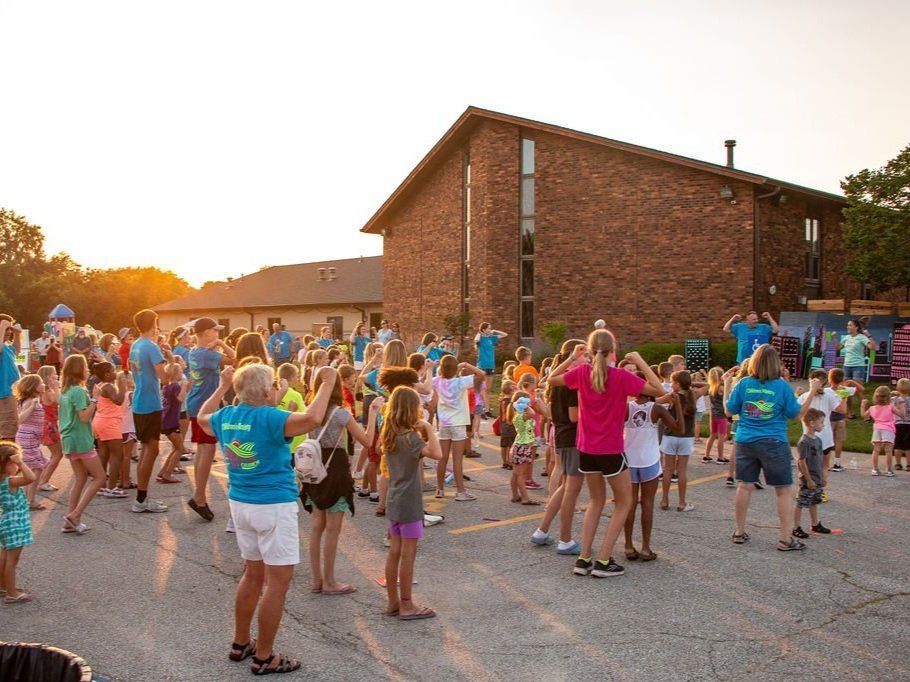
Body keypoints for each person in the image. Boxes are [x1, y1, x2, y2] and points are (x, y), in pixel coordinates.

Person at [198, 362, 338, 675]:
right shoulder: (270, 417)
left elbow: (201, 417)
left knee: (252, 573)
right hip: (273, 504)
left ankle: (240, 643)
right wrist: (327, 381)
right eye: (273, 385)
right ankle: (264, 657)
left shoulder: (226, 416)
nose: (276, 389)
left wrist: (221, 387)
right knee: (277, 583)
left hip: (241, 502)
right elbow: (314, 418)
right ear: (265, 390)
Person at [547, 330, 664, 578]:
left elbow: (551, 379)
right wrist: (640, 361)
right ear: (614, 351)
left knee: (595, 501)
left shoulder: (581, 373)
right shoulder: (620, 376)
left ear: (589, 351)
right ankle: (603, 559)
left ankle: (584, 558)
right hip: (610, 449)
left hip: (586, 448)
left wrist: (571, 358)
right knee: (624, 502)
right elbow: (657, 388)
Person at [725, 344, 817, 550]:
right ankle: (785, 538)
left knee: (744, 485)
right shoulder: (782, 386)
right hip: (773, 441)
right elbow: (796, 414)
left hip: (745, 440)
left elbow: (729, 409)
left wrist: (726, 388)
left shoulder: (744, 383)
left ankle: (739, 531)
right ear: (776, 363)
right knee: (784, 490)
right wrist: (811, 392)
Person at [299, 371, 373, 596]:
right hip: (335, 468)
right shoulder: (340, 413)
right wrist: (372, 412)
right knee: (333, 528)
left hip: (314, 466)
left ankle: (316, 579)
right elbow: (367, 441)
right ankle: (330, 581)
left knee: (316, 526)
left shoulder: (310, 410)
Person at [379, 385, 443, 620]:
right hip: (410, 501)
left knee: (394, 552)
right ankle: (407, 604)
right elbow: (437, 454)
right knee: (408, 554)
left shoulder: (390, 434)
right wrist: (428, 427)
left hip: (395, 498)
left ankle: (393, 602)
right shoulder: (410, 438)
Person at [530, 340, 585, 554]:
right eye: (583, 354)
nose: (587, 359)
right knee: (571, 490)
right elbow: (574, 416)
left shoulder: (559, 381)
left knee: (565, 488)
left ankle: (542, 531)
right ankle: (565, 540)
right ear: (573, 356)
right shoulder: (571, 384)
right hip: (572, 438)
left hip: (562, 435)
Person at [622, 378, 682, 561]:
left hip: (629, 459)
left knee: (629, 504)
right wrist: (677, 405)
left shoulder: (626, 407)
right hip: (649, 459)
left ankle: (628, 545)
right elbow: (679, 428)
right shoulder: (656, 409)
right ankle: (646, 547)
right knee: (647, 504)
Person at [186, 317, 235, 522]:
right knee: (206, 451)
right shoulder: (206, 354)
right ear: (206, 332)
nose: (218, 335)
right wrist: (222, 344)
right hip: (204, 406)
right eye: (215, 331)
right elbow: (233, 358)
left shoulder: (195, 352)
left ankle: (199, 495)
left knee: (202, 452)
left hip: (197, 404)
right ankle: (199, 497)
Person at [129, 309, 171, 514]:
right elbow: (164, 378)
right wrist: (171, 361)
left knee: (146, 448)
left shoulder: (135, 345)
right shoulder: (151, 346)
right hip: (150, 402)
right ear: (152, 324)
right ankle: (141, 498)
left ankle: (141, 496)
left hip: (139, 400)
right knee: (151, 449)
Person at [59, 354, 107, 534]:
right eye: (86, 367)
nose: (88, 370)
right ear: (79, 370)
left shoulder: (65, 390)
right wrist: (95, 399)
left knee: (80, 478)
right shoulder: (78, 391)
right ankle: (75, 514)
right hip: (80, 439)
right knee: (100, 477)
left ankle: (70, 519)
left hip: (69, 439)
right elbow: (84, 416)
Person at [433, 356, 485, 501]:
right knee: (457, 460)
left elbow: (437, 376)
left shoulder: (437, 381)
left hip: (444, 423)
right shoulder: (461, 382)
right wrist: (466, 364)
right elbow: (481, 374)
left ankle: (440, 489)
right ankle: (461, 492)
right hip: (458, 423)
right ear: (455, 369)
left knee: (442, 458)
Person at [659, 370, 709, 513]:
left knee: (668, 469)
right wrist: (691, 383)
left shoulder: (672, 396)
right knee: (682, 470)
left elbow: (656, 401)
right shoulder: (693, 395)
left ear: (678, 384)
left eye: (673, 382)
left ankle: (664, 500)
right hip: (686, 436)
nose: (671, 384)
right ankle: (682, 502)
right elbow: (707, 385)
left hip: (670, 435)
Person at [0, 441, 36, 603]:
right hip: (16, 523)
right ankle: (12, 593)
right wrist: (21, 462)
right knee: (12, 561)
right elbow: (31, 477)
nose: (17, 466)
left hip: (7, 522)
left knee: (5, 557)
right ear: (7, 464)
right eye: (14, 463)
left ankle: (4, 585)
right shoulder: (10, 482)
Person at [796, 370, 846, 484]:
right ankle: (815, 486)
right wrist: (844, 397)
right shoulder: (815, 396)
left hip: (817, 438)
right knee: (817, 465)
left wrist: (844, 397)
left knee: (815, 465)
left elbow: (842, 410)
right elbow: (842, 410)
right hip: (818, 437)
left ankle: (814, 485)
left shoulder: (814, 396)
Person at [90, 362, 129, 498]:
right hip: (109, 423)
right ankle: (111, 487)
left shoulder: (100, 385)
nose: (115, 372)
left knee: (104, 455)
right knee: (117, 455)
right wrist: (123, 386)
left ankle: (101, 485)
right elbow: (118, 400)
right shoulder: (108, 386)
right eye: (113, 370)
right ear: (107, 374)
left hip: (100, 421)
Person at [792, 408, 831, 539]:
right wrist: (808, 479)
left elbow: (821, 460)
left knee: (814, 501)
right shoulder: (804, 442)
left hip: (817, 478)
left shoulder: (818, 440)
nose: (823, 425)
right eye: (821, 422)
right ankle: (795, 527)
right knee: (801, 503)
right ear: (812, 423)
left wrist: (823, 476)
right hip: (808, 479)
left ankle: (815, 524)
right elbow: (801, 461)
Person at [14, 374, 48, 510]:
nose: (43, 385)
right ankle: (30, 500)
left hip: (30, 438)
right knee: (37, 468)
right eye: (41, 383)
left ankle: (28, 499)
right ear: (34, 386)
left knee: (33, 468)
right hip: (27, 438)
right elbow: (20, 419)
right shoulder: (30, 401)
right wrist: (32, 407)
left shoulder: (34, 399)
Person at [507, 393, 545, 505]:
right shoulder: (521, 416)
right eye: (528, 403)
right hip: (522, 447)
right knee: (520, 475)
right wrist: (524, 404)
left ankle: (515, 495)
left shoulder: (520, 416)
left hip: (520, 446)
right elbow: (532, 413)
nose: (530, 405)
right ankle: (525, 498)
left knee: (515, 473)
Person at [156, 362, 188, 484]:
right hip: (171, 421)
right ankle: (168, 474)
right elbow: (180, 399)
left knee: (176, 447)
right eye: (180, 372)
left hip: (167, 420)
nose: (182, 374)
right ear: (175, 374)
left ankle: (163, 471)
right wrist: (184, 386)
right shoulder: (175, 386)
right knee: (179, 448)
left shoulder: (167, 386)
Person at [862, 386, 904, 477]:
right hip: (888, 429)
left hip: (877, 429)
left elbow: (864, 415)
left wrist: (863, 405)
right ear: (888, 397)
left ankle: (874, 469)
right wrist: (901, 404)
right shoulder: (890, 407)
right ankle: (888, 470)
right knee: (888, 450)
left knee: (876, 450)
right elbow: (901, 415)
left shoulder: (872, 408)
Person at [827, 368, 862, 472]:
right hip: (841, 417)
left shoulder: (826, 391)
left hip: (829, 417)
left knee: (828, 440)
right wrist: (852, 382)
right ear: (842, 379)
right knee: (839, 440)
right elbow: (861, 389)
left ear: (830, 379)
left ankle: (824, 461)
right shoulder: (845, 390)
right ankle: (837, 462)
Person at [837, 319, 874, 416]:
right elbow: (838, 347)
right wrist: (832, 338)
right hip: (847, 366)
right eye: (847, 325)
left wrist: (868, 335)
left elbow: (873, 347)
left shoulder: (862, 337)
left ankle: (867, 412)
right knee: (846, 390)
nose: (847, 327)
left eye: (850, 325)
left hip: (858, 366)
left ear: (856, 328)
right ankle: (850, 412)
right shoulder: (846, 337)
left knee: (858, 390)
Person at [36, 365, 63, 492]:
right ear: (47, 376)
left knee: (55, 454)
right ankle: (43, 481)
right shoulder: (48, 391)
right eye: (54, 373)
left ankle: (42, 479)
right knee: (57, 454)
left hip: (46, 424)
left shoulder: (41, 391)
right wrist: (57, 387)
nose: (56, 375)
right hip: (49, 425)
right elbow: (58, 400)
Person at [474, 322, 507, 414]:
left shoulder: (491, 338)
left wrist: (494, 331)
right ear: (483, 330)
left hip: (490, 365)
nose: (489, 330)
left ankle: (487, 410)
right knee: (482, 388)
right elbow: (476, 339)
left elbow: (505, 334)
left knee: (488, 389)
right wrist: (480, 333)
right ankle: (481, 407)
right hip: (482, 366)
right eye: (488, 328)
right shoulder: (480, 338)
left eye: (490, 328)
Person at [0, 315, 24, 440]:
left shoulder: (6, 346)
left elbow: (17, 350)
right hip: (4, 394)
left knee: (13, 426)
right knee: (8, 432)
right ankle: (8, 458)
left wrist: (17, 334)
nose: (9, 332)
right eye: (7, 329)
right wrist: (3, 327)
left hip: (11, 393)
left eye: (10, 329)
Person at [893, 378, 910, 471]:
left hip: (897, 424)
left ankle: (898, 464)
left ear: (897, 388)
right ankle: (908, 465)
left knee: (898, 444)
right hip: (908, 424)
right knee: (908, 446)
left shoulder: (893, 399)